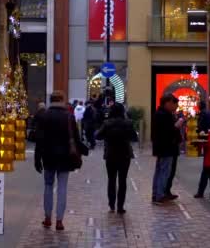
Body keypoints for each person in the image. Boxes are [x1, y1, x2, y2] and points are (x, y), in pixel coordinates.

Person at [34, 91, 86, 231]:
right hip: (65, 157)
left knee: (48, 186)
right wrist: (83, 150)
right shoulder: (69, 117)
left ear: (51, 100)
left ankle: (47, 218)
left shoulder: (45, 116)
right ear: (62, 100)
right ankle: (59, 221)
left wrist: (37, 158)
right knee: (62, 188)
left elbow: (39, 139)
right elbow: (75, 138)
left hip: (48, 156)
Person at [96, 103, 138, 214]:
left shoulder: (107, 123)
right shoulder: (128, 123)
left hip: (111, 154)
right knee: (123, 180)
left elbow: (98, 136)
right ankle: (120, 206)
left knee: (111, 179)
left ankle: (111, 204)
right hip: (125, 154)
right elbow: (134, 137)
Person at [151, 93, 185, 205]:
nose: (175, 107)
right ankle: (159, 195)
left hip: (163, 147)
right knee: (164, 171)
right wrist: (177, 125)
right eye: (174, 104)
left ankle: (157, 193)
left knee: (160, 171)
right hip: (166, 147)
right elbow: (167, 132)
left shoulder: (162, 113)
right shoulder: (163, 115)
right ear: (168, 103)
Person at [194, 99, 210, 198]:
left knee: (207, 169)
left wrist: (201, 131)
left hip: (208, 143)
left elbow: (205, 126)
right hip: (207, 142)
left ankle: (202, 191)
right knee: (208, 169)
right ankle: (204, 191)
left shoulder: (205, 113)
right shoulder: (206, 113)